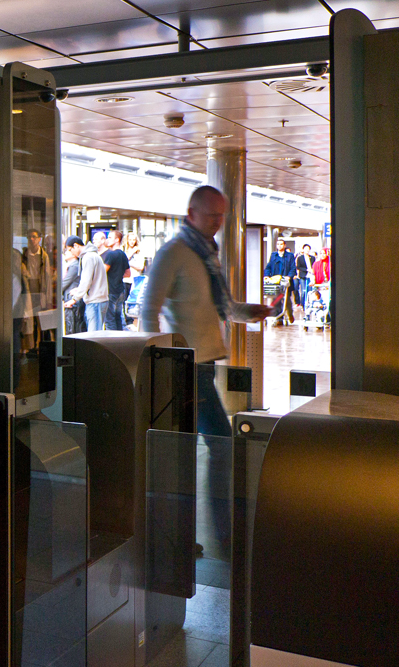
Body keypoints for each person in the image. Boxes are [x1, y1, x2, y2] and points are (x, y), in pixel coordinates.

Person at [140, 186, 271, 558]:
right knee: (219, 444)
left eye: (221, 216)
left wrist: (250, 312)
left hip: (204, 366)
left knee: (187, 450)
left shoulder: (207, 255)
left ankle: (189, 536)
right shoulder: (175, 252)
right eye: (211, 215)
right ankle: (224, 535)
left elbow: (222, 308)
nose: (217, 223)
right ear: (191, 212)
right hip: (185, 368)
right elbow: (149, 309)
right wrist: (155, 361)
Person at [65, 230, 108, 331]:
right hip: (98, 299)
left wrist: (74, 299)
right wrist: (78, 289)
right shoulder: (92, 256)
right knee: (95, 333)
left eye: (70, 250)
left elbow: (86, 281)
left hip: (95, 301)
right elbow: (91, 280)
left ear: (76, 246)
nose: (71, 253)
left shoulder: (88, 257)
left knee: (94, 335)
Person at [264, 237, 298, 324]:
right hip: (276, 282)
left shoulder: (290, 256)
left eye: (281, 244)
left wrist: (289, 276)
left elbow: (293, 268)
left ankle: (290, 314)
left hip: (286, 282)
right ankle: (279, 319)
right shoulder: (273, 255)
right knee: (277, 300)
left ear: (284, 245)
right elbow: (268, 267)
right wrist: (267, 275)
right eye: (278, 244)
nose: (279, 246)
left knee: (287, 301)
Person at [102, 230, 130, 330]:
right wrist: (118, 274)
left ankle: (111, 341)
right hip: (120, 289)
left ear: (117, 239)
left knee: (109, 319)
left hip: (110, 290)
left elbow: (102, 272)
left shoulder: (110, 255)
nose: (107, 240)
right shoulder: (123, 255)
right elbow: (128, 273)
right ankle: (120, 340)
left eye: (110, 237)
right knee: (118, 317)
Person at [62, 235, 86, 335]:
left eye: (68, 250)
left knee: (72, 326)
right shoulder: (70, 265)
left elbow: (65, 282)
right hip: (70, 298)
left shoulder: (74, 266)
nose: (66, 253)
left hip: (72, 299)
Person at [295, 243, 313, 309]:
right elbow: (298, 267)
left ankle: (309, 304)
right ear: (303, 249)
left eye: (308, 249)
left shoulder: (312, 257)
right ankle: (303, 304)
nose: (307, 250)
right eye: (306, 249)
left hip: (311, 276)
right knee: (303, 291)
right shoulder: (300, 258)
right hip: (303, 275)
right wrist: (306, 269)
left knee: (310, 291)